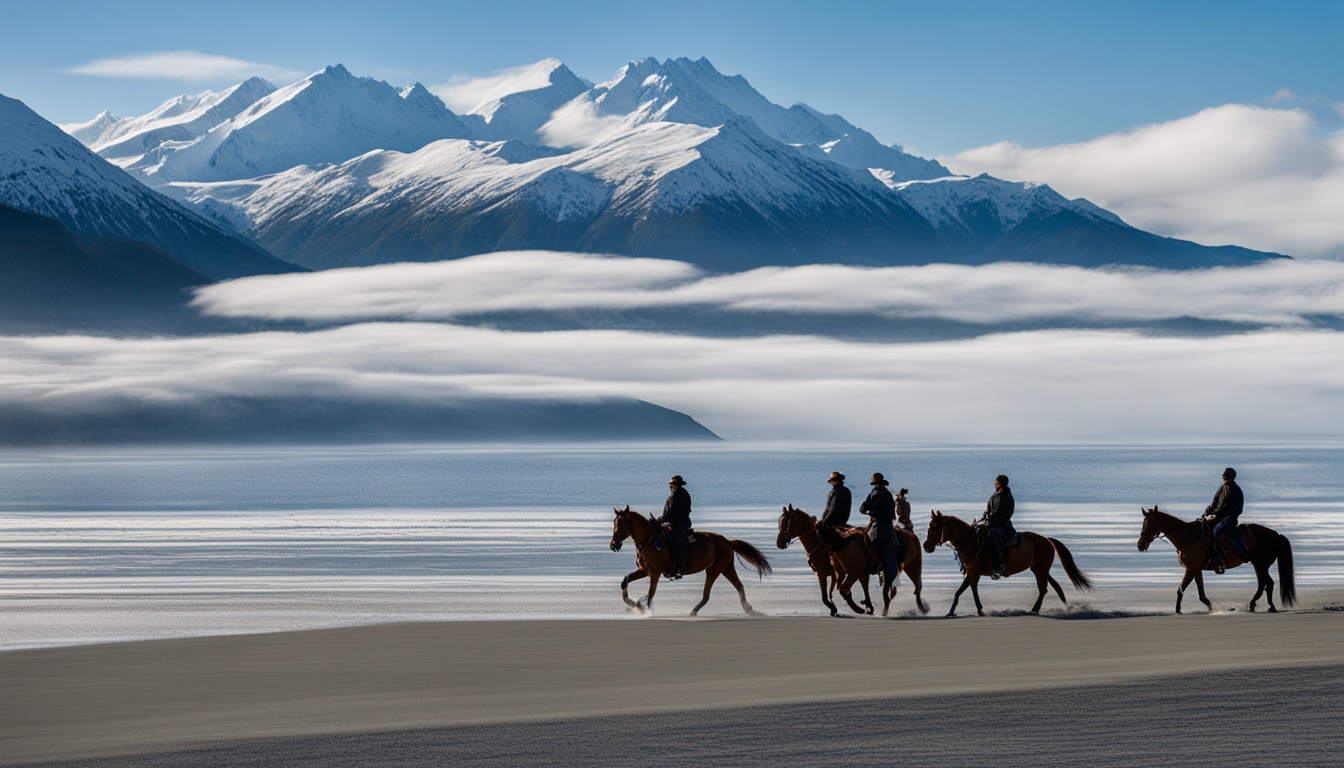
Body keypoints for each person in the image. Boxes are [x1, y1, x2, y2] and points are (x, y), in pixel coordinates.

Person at [1203, 467, 1246, 574]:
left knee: (1217, 532)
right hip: (1217, 516)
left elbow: (1230, 508)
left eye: (1226, 478)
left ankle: (1220, 560)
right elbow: (1214, 502)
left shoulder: (1236, 490)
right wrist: (1206, 513)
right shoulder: (1222, 488)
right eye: (1224, 478)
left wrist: (1216, 515)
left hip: (1229, 519)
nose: (1224, 479)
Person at [859, 472, 900, 586]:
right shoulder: (886, 493)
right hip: (886, 524)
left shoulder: (876, 493)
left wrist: (869, 511)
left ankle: (881, 568)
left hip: (879, 524)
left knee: (874, 543)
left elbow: (863, 507)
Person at [976, 474, 1015, 580]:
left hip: (1001, 524)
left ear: (1001, 483)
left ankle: (999, 560)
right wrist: (983, 517)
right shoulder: (995, 494)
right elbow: (988, 509)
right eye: (995, 482)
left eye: (996, 482)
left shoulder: (1006, 496)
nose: (994, 483)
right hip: (992, 521)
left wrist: (989, 521)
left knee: (992, 533)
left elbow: (999, 513)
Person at [657, 475, 693, 579]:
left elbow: (677, 512)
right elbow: (666, 512)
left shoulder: (683, 495)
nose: (671, 486)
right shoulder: (671, 497)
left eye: (673, 484)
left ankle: (679, 566)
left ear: (678, 485)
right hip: (670, 521)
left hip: (681, 522)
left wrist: (669, 522)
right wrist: (661, 520)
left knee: (675, 537)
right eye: (670, 484)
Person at [817, 471, 852, 550]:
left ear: (835, 481)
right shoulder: (839, 490)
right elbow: (829, 509)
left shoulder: (838, 491)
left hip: (837, 518)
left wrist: (824, 521)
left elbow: (833, 508)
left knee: (821, 530)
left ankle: (832, 548)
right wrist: (823, 519)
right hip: (839, 517)